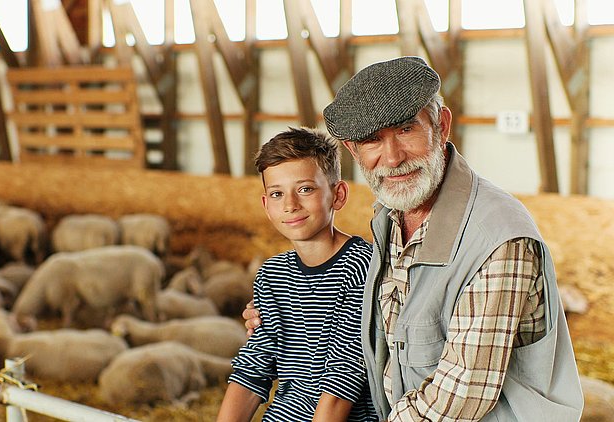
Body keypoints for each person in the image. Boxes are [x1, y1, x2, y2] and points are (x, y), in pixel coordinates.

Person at [243, 56, 584, 421]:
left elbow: (462, 393)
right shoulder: (390, 217)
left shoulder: (496, 238)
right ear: (354, 151)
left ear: (442, 125)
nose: (391, 158)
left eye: (406, 130)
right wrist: (285, 315)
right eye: (372, 140)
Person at [216, 127, 377, 421]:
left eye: (305, 189)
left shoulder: (362, 267)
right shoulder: (272, 274)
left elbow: (342, 382)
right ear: (266, 206)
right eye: (277, 194)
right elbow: (253, 369)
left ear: (337, 195)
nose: (290, 205)